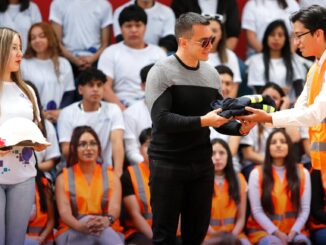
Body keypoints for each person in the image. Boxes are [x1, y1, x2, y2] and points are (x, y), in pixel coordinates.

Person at [145, 12, 255, 245]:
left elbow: (219, 117)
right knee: (164, 236)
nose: (210, 45)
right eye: (204, 41)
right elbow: (161, 120)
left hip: (201, 164)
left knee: (196, 236)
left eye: (212, 39)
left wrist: (241, 129)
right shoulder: (161, 71)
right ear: (183, 42)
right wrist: (204, 121)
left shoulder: (211, 73)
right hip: (167, 163)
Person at [237, 5, 326, 193]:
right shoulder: (314, 69)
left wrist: (267, 118)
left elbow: (314, 114)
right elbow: (300, 111)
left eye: (299, 35)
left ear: (318, 34)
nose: (295, 42)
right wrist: (262, 120)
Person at [0, 27, 45, 245]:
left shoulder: (27, 90)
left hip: (24, 175)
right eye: (14, 48)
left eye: (20, 48)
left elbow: (35, 128)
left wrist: (38, 143)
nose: (20, 54)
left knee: (16, 241)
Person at [55, 126, 124, 245]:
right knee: (88, 223)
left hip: (106, 228)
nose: (88, 148)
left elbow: (115, 208)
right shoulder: (62, 178)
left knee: (100, 231)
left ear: (99, 148)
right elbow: (64, 212)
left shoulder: (112, 176)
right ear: (74, 148)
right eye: (82, 144)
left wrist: (107, 220)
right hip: (71, 229)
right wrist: (80, 226)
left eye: (93, 143)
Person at [246, 129, 311, 245]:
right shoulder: (256, 174)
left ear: (289, 146)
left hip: (295, 231)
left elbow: (305, 210)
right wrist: (277, 233)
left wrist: (294, 232)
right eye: (274, 142)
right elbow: (257, 211)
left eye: (283, 141)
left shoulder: (303, 172)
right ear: (268, 148)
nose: (278, 145)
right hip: (264, 232)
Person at [57, 68, 124, 177]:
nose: (95, 89)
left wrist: (118, 172)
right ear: (80, 89)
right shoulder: (67, 113)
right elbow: (66, 149)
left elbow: (117, 142)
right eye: (91, 85)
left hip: (105, 171)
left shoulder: (113, 110)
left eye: (99, 85)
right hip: (74, 171)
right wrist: (89, 156)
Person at [98, 4, 166, 109]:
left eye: (138, 25)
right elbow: (104, 87)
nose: (133, 30)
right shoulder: (110, 52)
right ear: (121, 29)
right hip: (121, 107)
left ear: (145, 27)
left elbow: (166, 87)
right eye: (128, 26)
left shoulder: (158, 53)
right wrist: (122, 108)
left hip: (151, 108)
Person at [21, 22, 75, 123]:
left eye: (42, 36)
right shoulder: (23, 64)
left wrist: (60, 112)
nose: (37, 40)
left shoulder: (64, 63)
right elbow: (21, 94)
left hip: (59, 118)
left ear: (50, 38)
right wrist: (39, 112)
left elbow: (69, 93)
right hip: (32, 118)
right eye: (33, 38)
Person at [49, 0, 112, 77]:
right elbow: (56, 41)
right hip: (67, 60)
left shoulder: (104, 5)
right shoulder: (58, 4)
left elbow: (105, 43)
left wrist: (91, 59)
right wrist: (74, 59)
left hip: (96, 60)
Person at [206, 139, 250, 245]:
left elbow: (241, 218)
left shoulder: (239, 179)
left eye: (221, 153)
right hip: (208, 236)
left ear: (228, 156)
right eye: (212, 153)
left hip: (235, 234)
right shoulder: (200, 181)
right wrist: (218, 238)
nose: (217, 157)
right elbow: (198, 219)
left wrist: (231, 237)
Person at [246, 19, 306, 98]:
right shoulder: (256, 61)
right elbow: (258, 90)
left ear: (286, 39)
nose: (276, 38)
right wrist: (280, 91)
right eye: (272, 34)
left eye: (280, 35)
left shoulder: (293, 60)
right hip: (263, 105)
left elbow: (299, 89)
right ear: (266, 37)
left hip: (288, 106)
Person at [121, 127, 153, 245]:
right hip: (140, 232)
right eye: (147, 145)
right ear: (140, 150)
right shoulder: (129, 175)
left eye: (157, 143)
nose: (152, 149)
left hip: (170, 233)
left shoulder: (173, 173)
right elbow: (135, 215)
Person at [171, 0, 241, 50]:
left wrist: (221, 55)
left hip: (220, 52)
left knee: (241, 67)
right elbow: (178, 32)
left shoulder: (228, 2)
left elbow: (233, 34)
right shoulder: (181, 2)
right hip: (189, 51)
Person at [113, 0, 177, 52]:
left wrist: (157, 55)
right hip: (128, 52)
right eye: (129, 26)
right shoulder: (121, 11)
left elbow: (169, 39)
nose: (134, 29)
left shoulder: (167, 12)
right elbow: (120, 38)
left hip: (159, 53)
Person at [123, 64, 153, 166]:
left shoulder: (177, 110)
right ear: (142, 86)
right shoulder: (130, 114)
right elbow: (131, 152)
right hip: (144, 167)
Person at [205, 14, 242, 86]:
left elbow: (234, 86)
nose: (210, 34)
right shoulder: (193, 54)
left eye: (214, 31)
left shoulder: (230, 55)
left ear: (221, 34)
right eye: (207, 30)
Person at [24, 168, 55, 245]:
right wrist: (27, 237)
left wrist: (42, 238)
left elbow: (51, 220)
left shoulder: (43, 183)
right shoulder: (7, 185)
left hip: (43, 240)